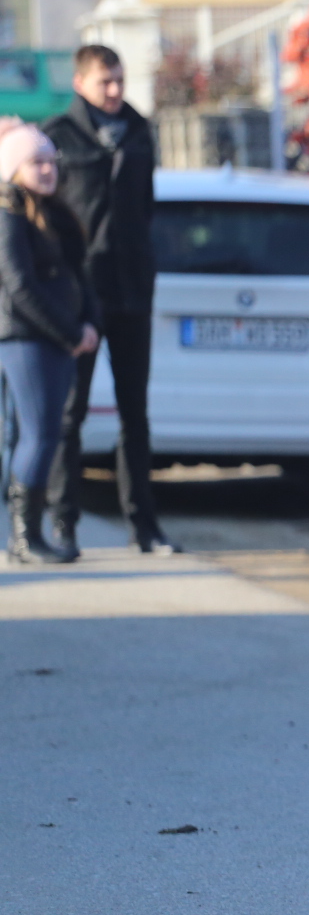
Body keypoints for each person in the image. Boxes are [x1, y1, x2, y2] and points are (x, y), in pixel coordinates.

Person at [42, 44, 168, 555]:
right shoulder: (58, 135)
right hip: (80, 293)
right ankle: (63, 523)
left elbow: (146, 208)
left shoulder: (138, 130)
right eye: (104, 82)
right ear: (80, 84)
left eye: (119, 80)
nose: (115, 91)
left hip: (132, 289)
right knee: (69, 414)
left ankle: (145, 526)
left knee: (134, 413)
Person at [0, 120, 97, 565]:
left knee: (43, 434)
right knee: (38, 436)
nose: (47, 170)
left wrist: (88, 323)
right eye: (35, 162)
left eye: (50, 161)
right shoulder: (9, 214)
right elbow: (19, 286)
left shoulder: (53, 213)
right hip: (27, 339)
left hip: (56, 340)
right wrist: (70, 332)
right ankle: (26, 538)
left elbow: (79, 274)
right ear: (14, 168)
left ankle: (26, 537)